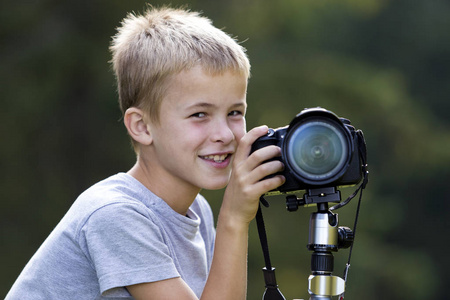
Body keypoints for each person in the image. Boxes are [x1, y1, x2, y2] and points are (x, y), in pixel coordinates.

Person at [6, 6, 285, 300]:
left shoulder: (197, 210)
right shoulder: (115, 214)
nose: (225, 134)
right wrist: (233, 218)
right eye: (200, 114)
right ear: (142, 126)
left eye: (234, 112)